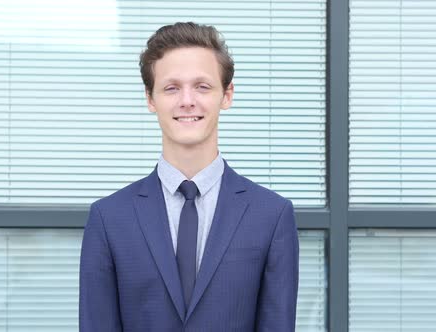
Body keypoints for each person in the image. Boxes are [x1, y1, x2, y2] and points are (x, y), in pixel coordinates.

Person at [79, 22, 299, 331]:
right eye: (171, 87)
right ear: (150, 99)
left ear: (227, 95)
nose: (187, 100)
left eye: (202, 86)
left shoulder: (272, 215)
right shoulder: (109, 218)